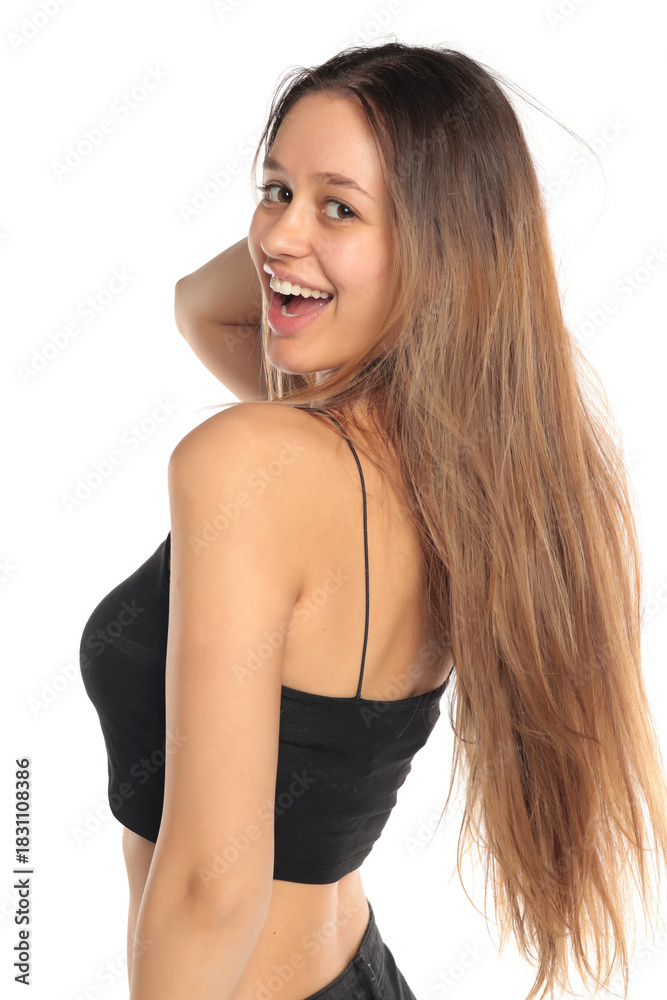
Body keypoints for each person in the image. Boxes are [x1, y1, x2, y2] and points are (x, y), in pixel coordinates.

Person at [78, 40, 667, 1000]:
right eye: (273, 190)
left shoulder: (252, 462)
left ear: (439, 247)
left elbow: (209, 891)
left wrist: (314, 234)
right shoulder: (454, 474)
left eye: (339, 208)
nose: (275, 236)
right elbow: (203, 309)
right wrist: (325, 231)